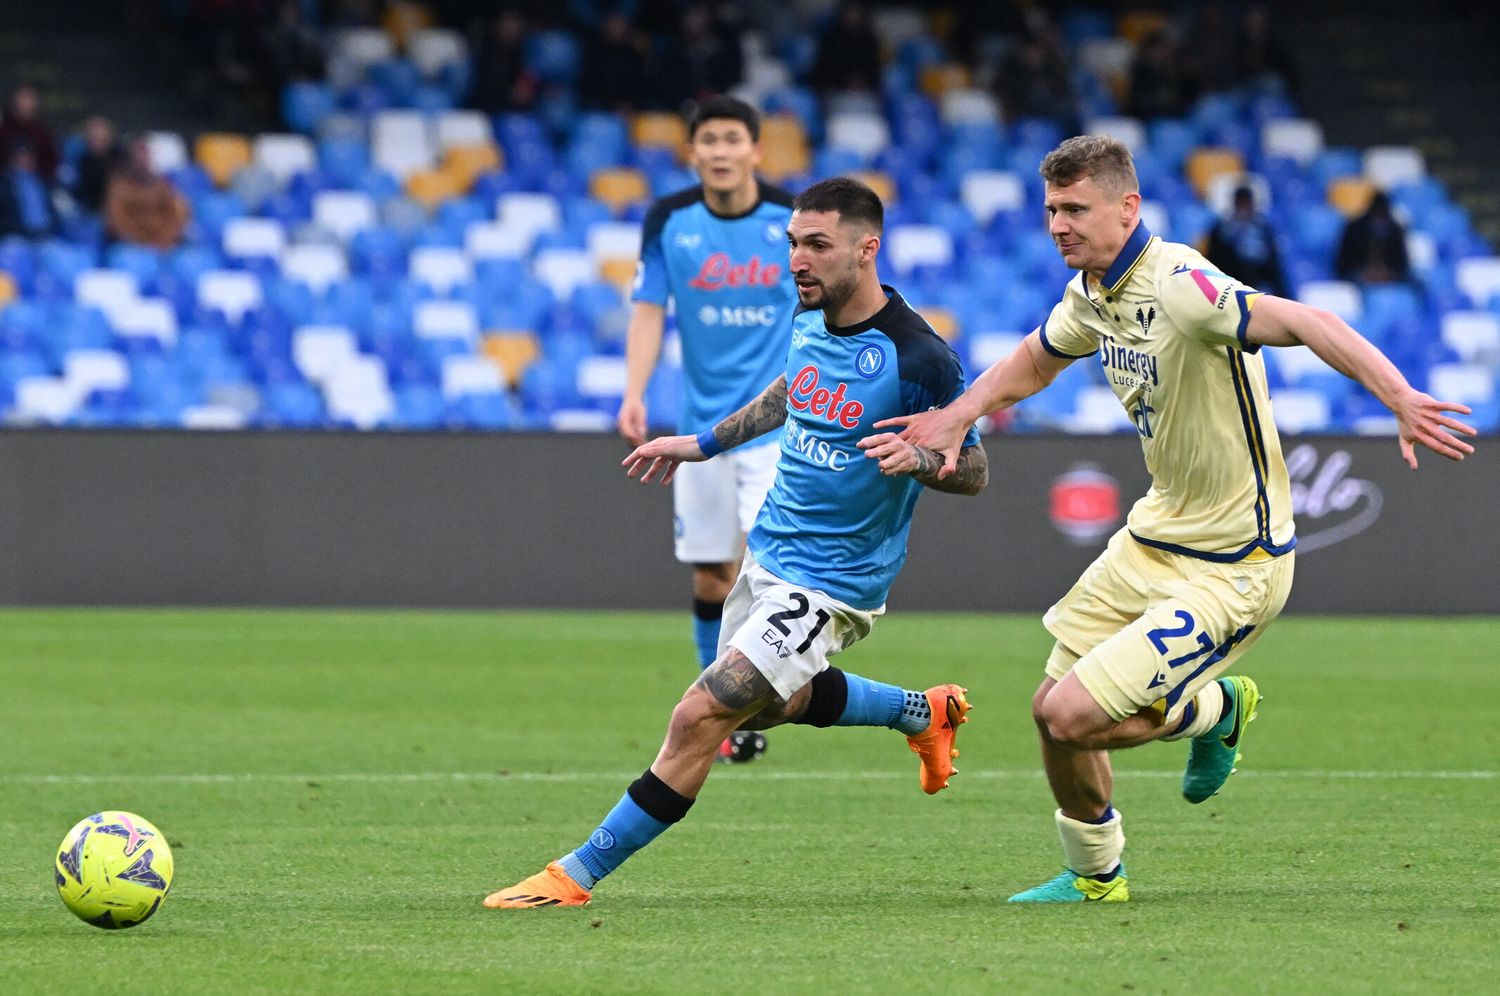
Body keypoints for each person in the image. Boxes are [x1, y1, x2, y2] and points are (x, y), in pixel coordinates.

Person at [882, 135, 1475, 904]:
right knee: (1049, 713)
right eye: (1052, 210)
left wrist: (1398, 396)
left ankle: (1216, 710)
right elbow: (1034, 358)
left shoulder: (1186, 285)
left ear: (1128, 207)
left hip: (1236, 566)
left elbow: (1307, 321)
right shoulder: (1093, 293)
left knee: (1069, 715)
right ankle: (1097, 876)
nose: (1058, 225)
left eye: (1075, 209)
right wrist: (958, 416)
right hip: (1152, 538)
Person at [486, 177, 990, 909]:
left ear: (866, 249)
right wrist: (703, 443)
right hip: (772, 554)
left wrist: (920, 457)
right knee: (765, 705)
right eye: (792, 244)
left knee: (701, 714)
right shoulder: (810, 312)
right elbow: (792, 391)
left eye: (817, 245)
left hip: (834, 581)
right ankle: (924, 711)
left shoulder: (918, 359)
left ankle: (573, 876)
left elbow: (973, 470)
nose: (797, 260)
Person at [616, 95, 798, 763]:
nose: (720, 151)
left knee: (762, 569)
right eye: (708, 141)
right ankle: (717, 699)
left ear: (755, 149)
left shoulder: (790, 219)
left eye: (732, 139)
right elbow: (646, 309)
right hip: (698, 432)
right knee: (710, 579)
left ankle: (736, 708)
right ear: (692, 153)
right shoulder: (670, 220)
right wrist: (634, 391)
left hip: (776, 428)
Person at [104, 136, 190, 250]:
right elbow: (117, 219)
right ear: (130, 160)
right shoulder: (119, 186)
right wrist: (142, 241)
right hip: (132, 246)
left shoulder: (163, 185)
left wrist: (164, 240)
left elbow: (176, 214)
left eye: (145, 156)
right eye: (138, 157)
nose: (142, 161)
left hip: (163, 245)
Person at [1206, 185, 1285, 296]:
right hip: (1232, 282)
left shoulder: (1262, 226)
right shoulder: (1222, 228)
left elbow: (1273, 262)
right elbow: (1214, 259)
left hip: (1261, 280)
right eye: (1241, 203)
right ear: (1235, 204)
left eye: (1248, 203)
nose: (1245, 208)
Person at [1334, 190, 1411, 285]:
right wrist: (1366, 272)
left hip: (1389, 277)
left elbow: (1401, 262)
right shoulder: (1354, 229)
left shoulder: (1395, 230)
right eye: (1377, 214)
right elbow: (1344, 261)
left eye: (1381, 214)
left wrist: (1388, 273)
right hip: (1358, 275)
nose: (1379, 219)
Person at [0, 142, 59, 239]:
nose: (26, 160)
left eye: (29, 156)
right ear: (13, 159)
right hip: (16, 238)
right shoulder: (6, 184)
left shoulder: (42, 181)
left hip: (45, 236)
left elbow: (53, 211)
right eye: (22, 156)